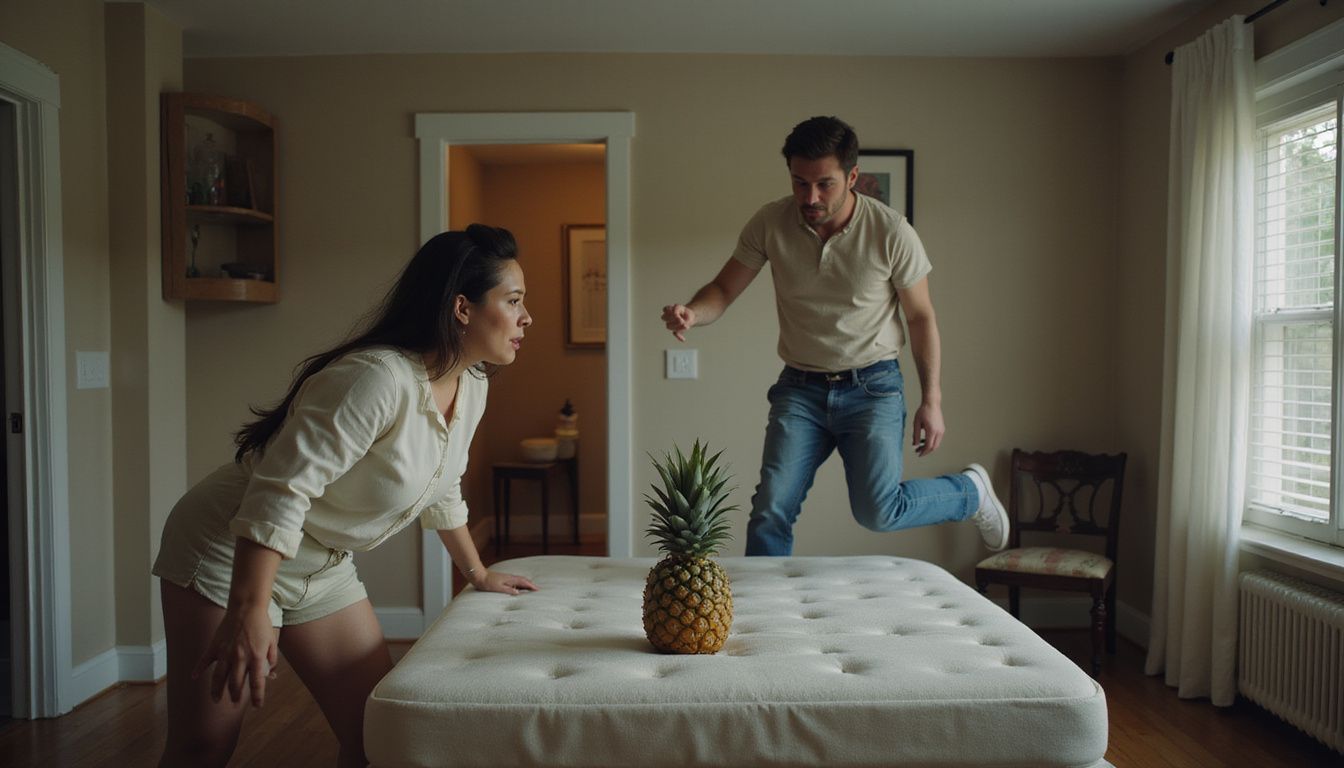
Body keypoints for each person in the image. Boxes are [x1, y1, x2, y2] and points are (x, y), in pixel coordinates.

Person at [153, 225, 539, 768]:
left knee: (377, 734)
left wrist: (476, 572)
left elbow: (442, 483)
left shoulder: (471, 384)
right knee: (204, 744)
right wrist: (251, 605)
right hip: (230, 544)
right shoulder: (376, 379)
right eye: (514, 301)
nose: (527, 318)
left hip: (322, 562)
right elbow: (282, 490)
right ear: (462, 308)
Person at [661, 116, 1009, 557]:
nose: (810, 197)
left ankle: (969, 493)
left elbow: (921, 317)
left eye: (824, 184)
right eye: (799, 183)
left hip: (873, 387)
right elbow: (723, 290)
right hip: (800, 387)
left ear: (853, 177)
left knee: (878, 512)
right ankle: (766, 618)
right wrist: (693, 312)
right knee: (770, 509)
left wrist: (932, 400)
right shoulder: (770, 222)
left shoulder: (891, 231)